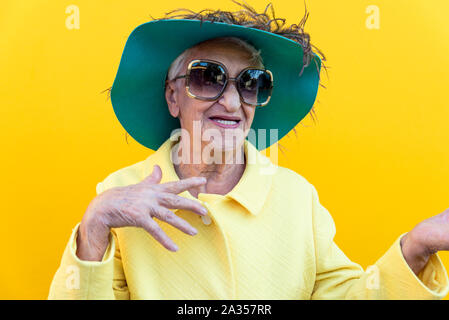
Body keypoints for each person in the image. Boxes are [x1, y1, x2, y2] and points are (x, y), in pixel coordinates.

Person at [48, 2, 449, 299]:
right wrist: (95, 224)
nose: (232, 102)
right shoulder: (121, 194)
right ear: (173, 97)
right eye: (208, 78)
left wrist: (416, 246)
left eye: (251, 83)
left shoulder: (296, 198)